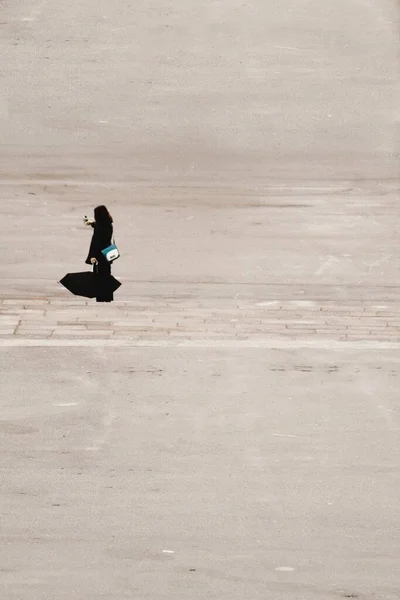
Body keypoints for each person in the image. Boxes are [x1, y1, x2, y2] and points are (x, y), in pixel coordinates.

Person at [84, 205, 114, 302]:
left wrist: (92, 256)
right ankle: (108, 296)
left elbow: (96, 243)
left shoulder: (100, 228)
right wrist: (92, 223)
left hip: (99, 256)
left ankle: (101, 297)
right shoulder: (108, 224)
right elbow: (99, 225)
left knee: (99, 276)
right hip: (107, 254)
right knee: (106, 275)